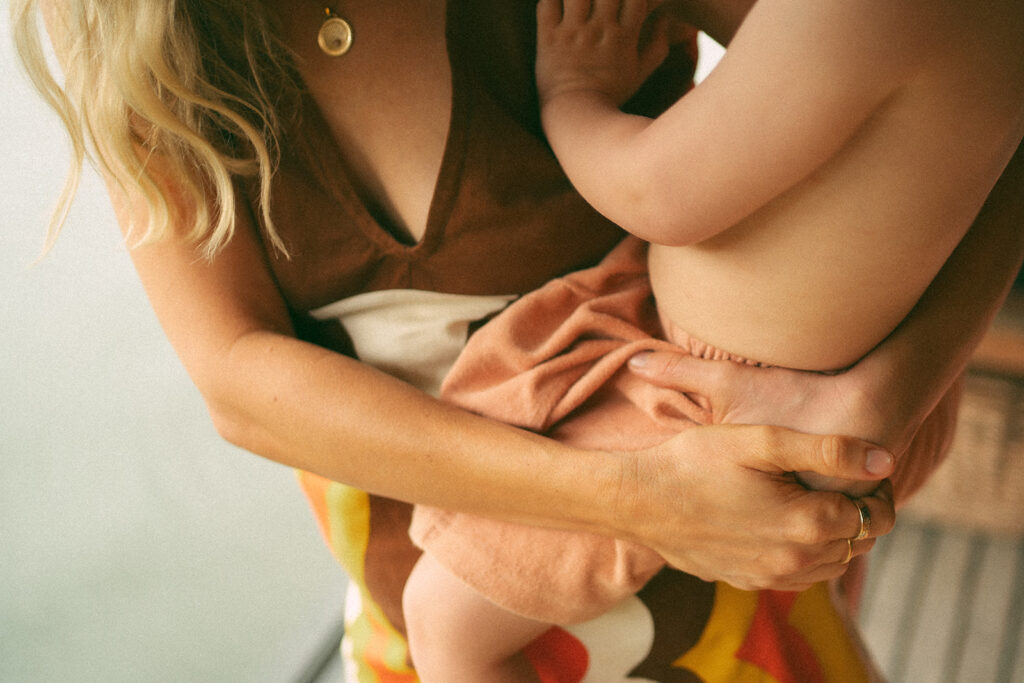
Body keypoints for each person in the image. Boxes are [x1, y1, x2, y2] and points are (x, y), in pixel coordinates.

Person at [12, 0, 1022, 678]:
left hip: (728, 592)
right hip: (416, 599)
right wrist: (641, 499)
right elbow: (235, 380)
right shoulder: (129, 30)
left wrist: (887, 390)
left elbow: (969, 79)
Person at [401, 0, 1024, 679]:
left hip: (723, 410)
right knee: (814, 586)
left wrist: (572, 91)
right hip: (882, 380)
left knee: (443, 623)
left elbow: (654, 192)